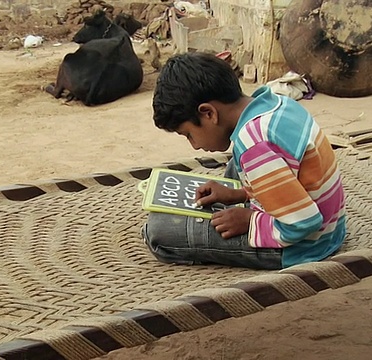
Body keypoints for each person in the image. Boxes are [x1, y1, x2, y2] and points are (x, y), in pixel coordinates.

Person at [142, 52, 346, 270]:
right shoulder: (277, 102)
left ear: (208, 113)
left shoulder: (253, 145)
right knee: (237, 163)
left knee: (160, 230)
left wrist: (249, 221)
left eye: (188, 134)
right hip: (331, 227)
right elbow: (290, 173)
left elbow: (304, 223)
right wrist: (238, 194)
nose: (194, 145)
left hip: (304, 245)